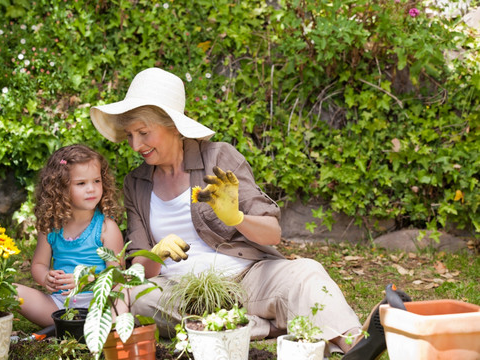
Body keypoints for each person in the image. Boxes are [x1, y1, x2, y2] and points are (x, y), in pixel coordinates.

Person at [90, 67, 390, 358]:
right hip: (178, 292)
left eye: (143, 132)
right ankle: (261, 325)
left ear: (172, 125)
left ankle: (354, 345)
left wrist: (237, 218)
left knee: (305, 273)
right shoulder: (136, 183)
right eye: (130, 135)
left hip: (246, 277)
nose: (135, 145)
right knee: (132, 297)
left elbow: (272, 233)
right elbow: (142, 269)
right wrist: (156, 252)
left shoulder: (219, 157)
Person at [16, 144, 124, 327]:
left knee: (125, 290)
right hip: (59, 307)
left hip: (100, 305)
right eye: (81, 183)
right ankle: (71, 326)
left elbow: (117, 276)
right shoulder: (51, 227)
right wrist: (45, 277)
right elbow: (39, 264)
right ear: (60, 188)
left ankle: (102, 329)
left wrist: (85, 282)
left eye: (97, 181)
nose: (92, 189)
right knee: (12, 291)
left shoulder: (106, 228)